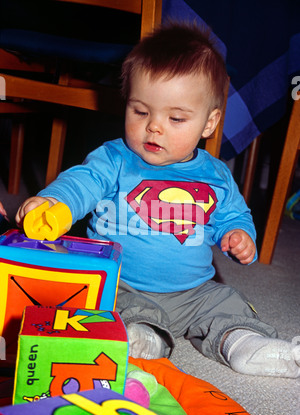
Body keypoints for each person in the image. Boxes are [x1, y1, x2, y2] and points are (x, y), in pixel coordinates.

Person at [16, 23, 300, 378]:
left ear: (209, 123)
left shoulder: (215, 174)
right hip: (124, 283)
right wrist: (55, 202)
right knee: (102, 300)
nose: (154, 127)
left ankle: (245, 345)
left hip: (194, 291)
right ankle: (140, 337)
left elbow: (233, 215)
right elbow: (82, 183)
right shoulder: (115, 158)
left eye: (176, 118)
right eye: (140, 111)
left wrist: (240, 234)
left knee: (228, 303)